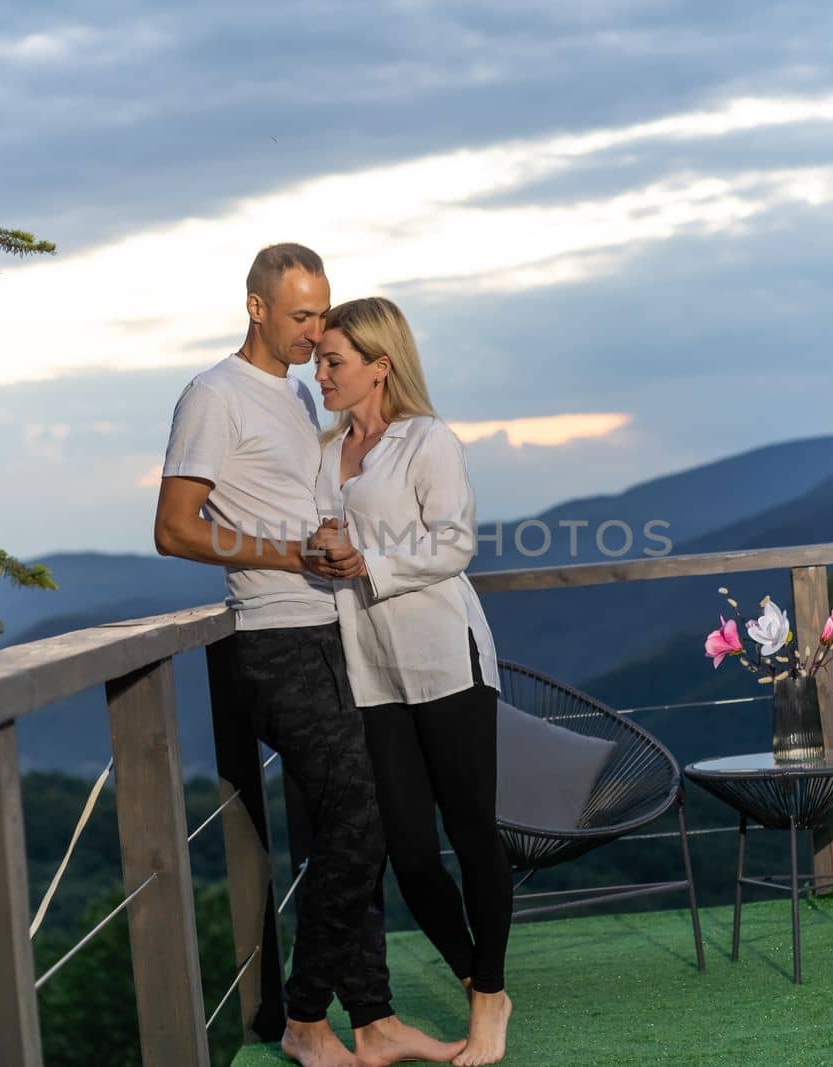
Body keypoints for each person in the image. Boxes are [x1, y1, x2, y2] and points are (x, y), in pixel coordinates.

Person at [153, 246, 461, 1067]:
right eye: (298, 316)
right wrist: (293, 555)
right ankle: (302, 1017)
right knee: (360, 821)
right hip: (272, 640)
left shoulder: (296, 393)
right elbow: (175, 527)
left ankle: (376, 1019)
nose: (314, 332)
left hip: (337, 631)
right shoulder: (213, 396)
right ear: (255, 307)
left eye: (320, 315)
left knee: (355, 819)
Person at [309, 297, 514, 1066]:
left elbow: (455, 543)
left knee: (471, 833)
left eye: (334, 361)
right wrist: (322, 547)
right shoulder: (325, 450)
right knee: (411, 853)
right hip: (372, 672)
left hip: (446, 660)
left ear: (379, 365)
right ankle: (477, 975)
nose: (320, 372)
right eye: (320, 360)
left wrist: (371, 562)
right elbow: (326, 537)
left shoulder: (427, 439)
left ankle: (489, 999)